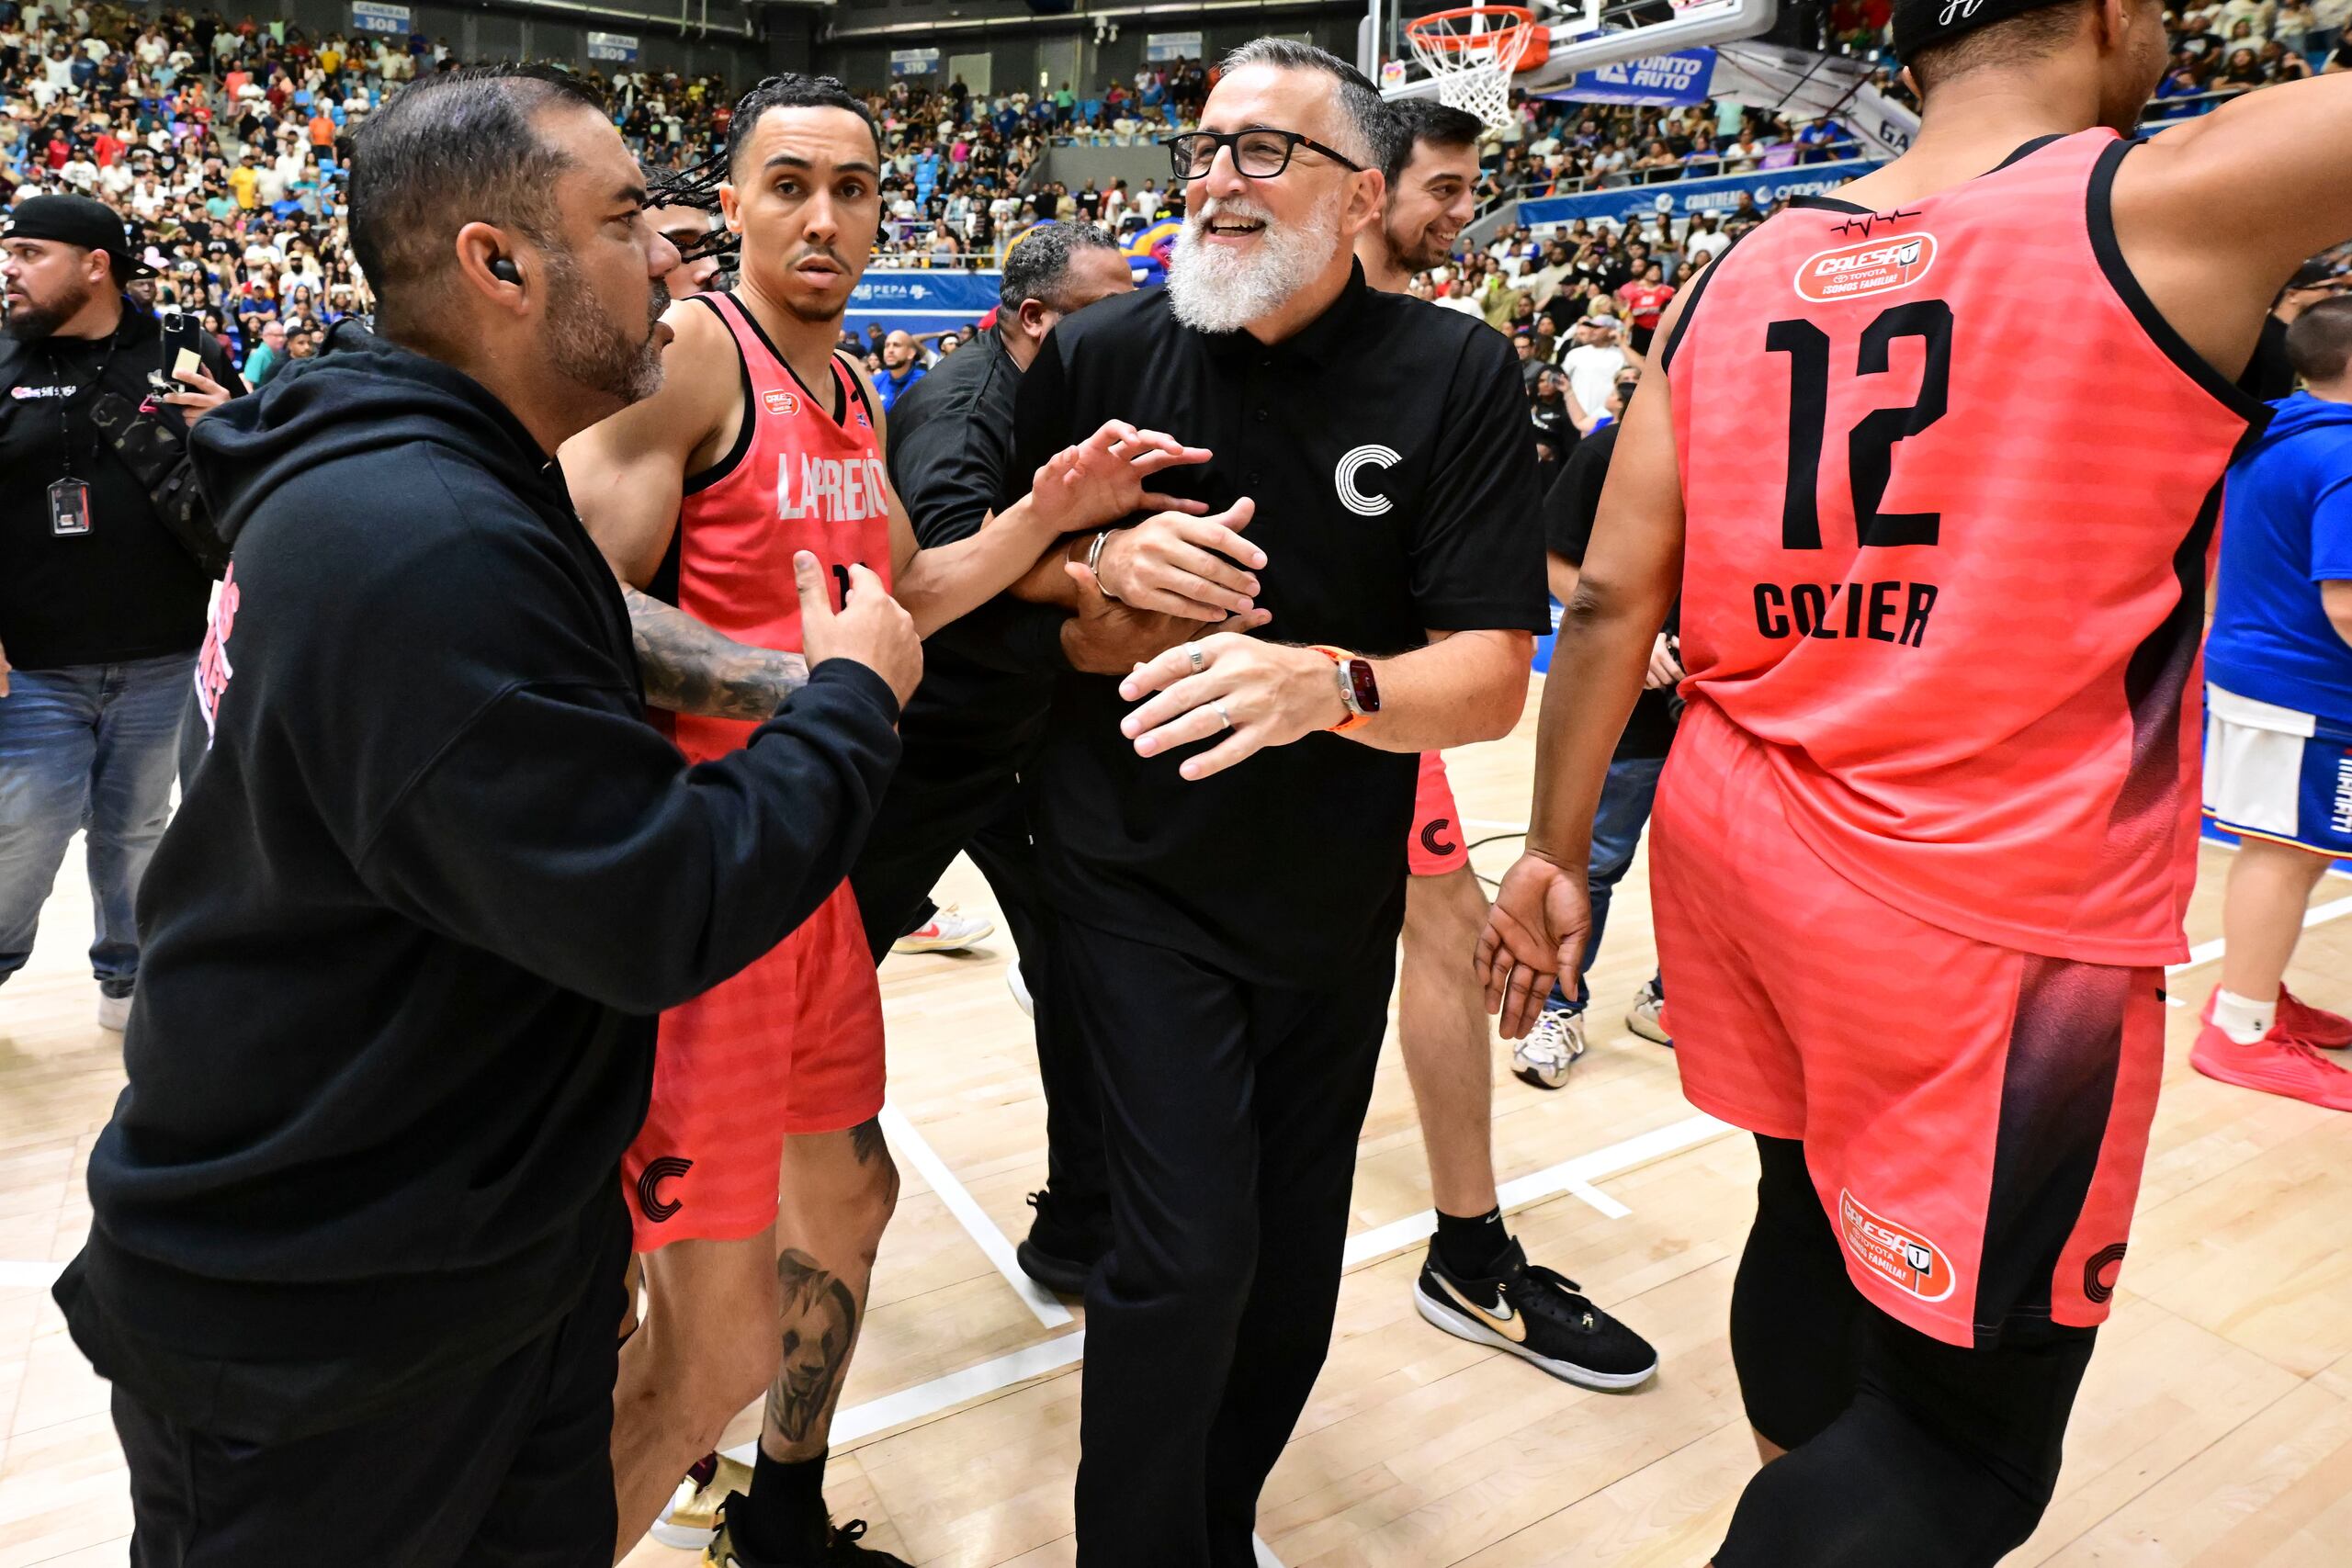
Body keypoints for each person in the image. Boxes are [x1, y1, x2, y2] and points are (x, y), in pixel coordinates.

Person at [1481, 0, 2352, 1560]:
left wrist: (1550, 850)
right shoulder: (2162, 198)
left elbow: (1610, 599)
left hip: (1735, 844)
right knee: (1964, 1447)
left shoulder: (1737, 265)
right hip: (1983, 894)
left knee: (1804, 1212)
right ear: (2112, 14)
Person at [50, 65, 924, 1567]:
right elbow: (659, 904)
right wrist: (849, 701)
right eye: (628, 222)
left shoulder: (421, 477)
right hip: (326, 1313)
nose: (669, 262)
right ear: (499, 264)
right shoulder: (426, 541)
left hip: (452, 1236)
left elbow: (565, 666)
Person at [559, 73, 1209, 1568]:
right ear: (733, 205)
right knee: (700, 1352)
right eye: (789, 184)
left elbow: (906, 594)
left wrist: (1046, 516)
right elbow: (569, 602)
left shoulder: (850, 390)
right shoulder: (693, 358)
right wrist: (806, 686)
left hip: (812, 884)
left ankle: (781, 1516)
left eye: (852, 189)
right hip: (703, 895)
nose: (824, 216)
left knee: (849, 1201)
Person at [1008, 40, 1629, 1562]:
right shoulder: (1101, 356)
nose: (1217, 177)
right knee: (1183, 1255)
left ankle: (1211, 1526)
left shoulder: (1455, 374)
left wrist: (1327, 685)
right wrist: (1096, 567)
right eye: (1206, 147)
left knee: (1287, 1280)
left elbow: (1489, 676)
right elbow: (1013, 574)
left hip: (1327, 899)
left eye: (1264, 151)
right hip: (1127, 873)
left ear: (1359, 197)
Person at [841, 220, 1224, 1295]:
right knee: (822, 975)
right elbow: (944, 570)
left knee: (1079, 972)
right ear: (1032, 317)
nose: (1135, 328)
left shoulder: (1073, 394)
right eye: (1106, 309)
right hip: (920, 746)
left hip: (1019, 742)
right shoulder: (964, 407)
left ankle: (1077, 1226)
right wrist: (1097, 580)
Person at [1353, 96, 1658, 1383]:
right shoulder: (1251, 335)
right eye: (1443, 187)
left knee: (1441, 930)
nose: (1463, 213)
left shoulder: (1447, 356)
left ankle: (1468, 1246)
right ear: (1366, 187)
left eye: (1472, 188)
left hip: (1378, 708)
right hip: (1281, 710)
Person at [1, 193, 241, 1034]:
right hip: (31, 662)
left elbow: (246, 473)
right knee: (21, 834)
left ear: (95, 265)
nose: (9, 270)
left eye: (30, 253)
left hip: (164, 653)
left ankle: (128, 976)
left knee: (137, 828)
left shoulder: (180, 351)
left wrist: (232, 423)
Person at [2194, 293, 2352, 1105]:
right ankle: (2241, 1031)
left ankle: (2254, 994)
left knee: (2295, 848)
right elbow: (2347, 603)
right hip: (2301, 685)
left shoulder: (2280, 427)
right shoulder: (2345, 453)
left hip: (2263, 670)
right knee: (2283, 853)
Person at [875, 325, 924, 410]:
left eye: (896, 345)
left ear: (911, 353)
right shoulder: (875, 381)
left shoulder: (923, 382)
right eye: (887, 346)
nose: (890, 350)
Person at [240, 316, 284, 383]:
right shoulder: (259, 355)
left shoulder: (278, 354)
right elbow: (247, 383)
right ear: (265, 336)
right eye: (276, 335)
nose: (281, 339)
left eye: (282, 335)